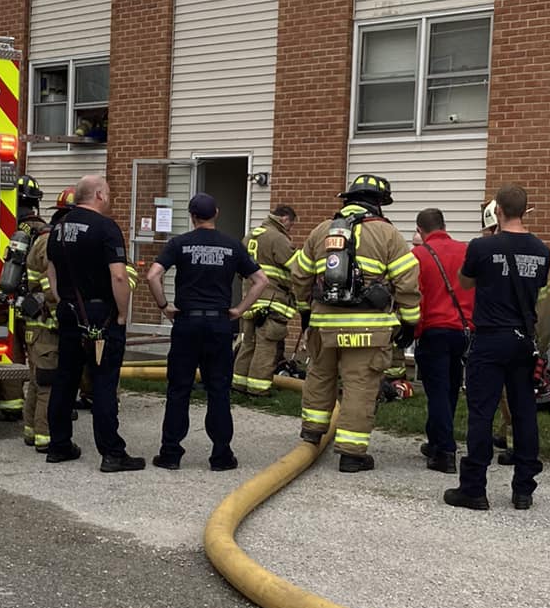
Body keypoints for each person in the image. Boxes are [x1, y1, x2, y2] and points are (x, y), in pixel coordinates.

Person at [291, 173, 420, 472]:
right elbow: (408, 282)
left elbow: (299, 276)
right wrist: (410, 323)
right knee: (360, 385)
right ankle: (351, 454)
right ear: (378, 204)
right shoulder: (388, 235)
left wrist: (306, 313)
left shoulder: (321, 231)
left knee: (320, 376)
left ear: (348, 200)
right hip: (368, 329)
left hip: (323, 325)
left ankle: (312, 433)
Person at [443, 185, 550, 512]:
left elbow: (464, 282)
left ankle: (474, 489)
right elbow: (539, 288)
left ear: (499, 211)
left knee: (481, 412)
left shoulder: (481, 247)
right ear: (525, 211)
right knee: (524, 413)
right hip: (523, 341)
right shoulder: (542, 250)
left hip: (490, 339)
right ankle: (523, 490)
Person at [146, 194, 266, 470]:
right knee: (219, 390)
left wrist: (164, 306)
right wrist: (239, 310)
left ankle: (171, 453)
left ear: (192, 216)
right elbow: (261, 280)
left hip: (187, 323)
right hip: (219, 324)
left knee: (179, 389)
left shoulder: (179, 243)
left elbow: (153, 275)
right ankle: (221, 455)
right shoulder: (232, 245)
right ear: (217, 213)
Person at [45, 174, 142, 472]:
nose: (110, 197)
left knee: (65, 378)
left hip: (70, 312)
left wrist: (64, 300)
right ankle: (112, 453)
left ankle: (59, 445)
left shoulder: (58, 227)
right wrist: (123, 314)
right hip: (101, 315)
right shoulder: (106, 228)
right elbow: (118, 275)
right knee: (103, 382)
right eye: (109, 192)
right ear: (98, 194)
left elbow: (51, 269)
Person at [411, 207, 468, 475]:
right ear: (444, 225)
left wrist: (415, 331)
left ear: (420, 231)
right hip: (462, 332)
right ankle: (436, 441)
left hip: (433, 331)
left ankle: (444, 451)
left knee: (437, 392)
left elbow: (416, 295)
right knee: (450, 389)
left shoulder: (419, 255)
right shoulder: (465, 250)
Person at [233, 203, 300, 397]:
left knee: (248, 342)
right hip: (272, 300)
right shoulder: (277, 238)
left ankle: (238, 384)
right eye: (291, 225)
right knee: (266, 345)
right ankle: (257, 389)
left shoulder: (249, 237)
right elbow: (296, 268)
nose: (290, 229)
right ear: (285, 219)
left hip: (249, 301)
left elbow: (240, 272)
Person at [0, 177, 48, 441]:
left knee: (12, 352)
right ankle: (31, 410)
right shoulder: (43, 231)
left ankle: (10, 403)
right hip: (35, 303)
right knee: (38, 356)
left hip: (9, 298)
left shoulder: (7, 225)